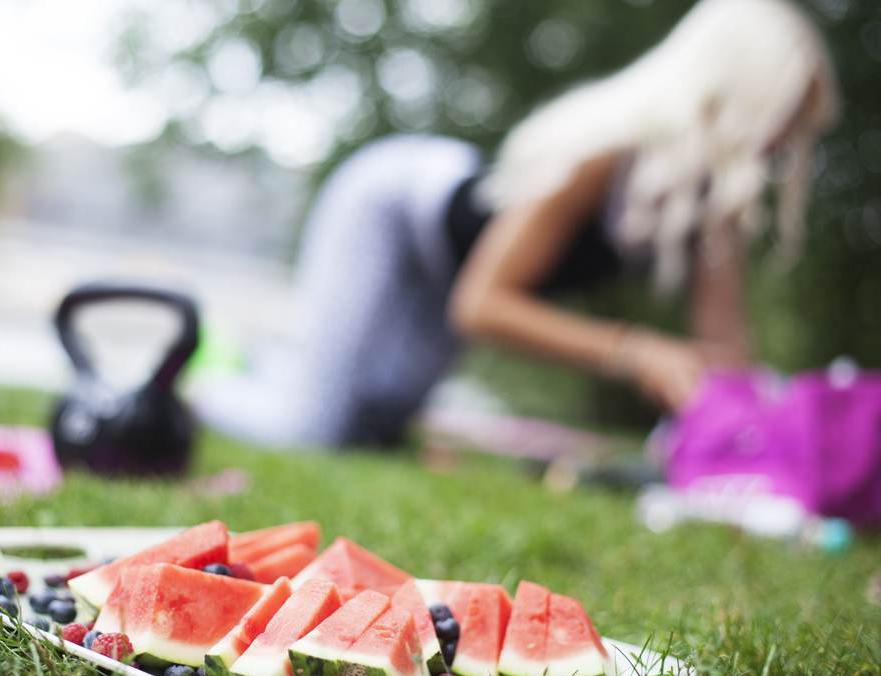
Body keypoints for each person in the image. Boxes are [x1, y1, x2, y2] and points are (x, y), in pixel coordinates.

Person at [192, 0, 838, 448]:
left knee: (378, 423)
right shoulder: (604, 154)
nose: (783, 145)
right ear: (741, 91)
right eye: (781, 118)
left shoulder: (707, 206)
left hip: (445, 265)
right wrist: (633, 350)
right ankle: (204, 375)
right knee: (318, 429)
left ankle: (267, 367)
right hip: (389, 206)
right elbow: (480, 306)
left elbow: (726, 355)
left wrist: (771, 429)